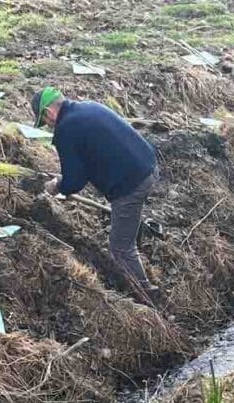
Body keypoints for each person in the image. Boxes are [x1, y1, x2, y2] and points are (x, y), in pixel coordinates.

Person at [31, 86, 158, 296]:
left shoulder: (65, 129)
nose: (49, 126)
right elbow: (88, 162)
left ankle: (145, 294)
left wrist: (56, 186)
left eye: (45, 122)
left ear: (49, 112)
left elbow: (74, 182)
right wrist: (67, 178)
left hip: (131, 183)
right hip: (148, 166)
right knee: (125, 227)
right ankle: (137, 253)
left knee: (119, 247)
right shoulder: (88, 107)